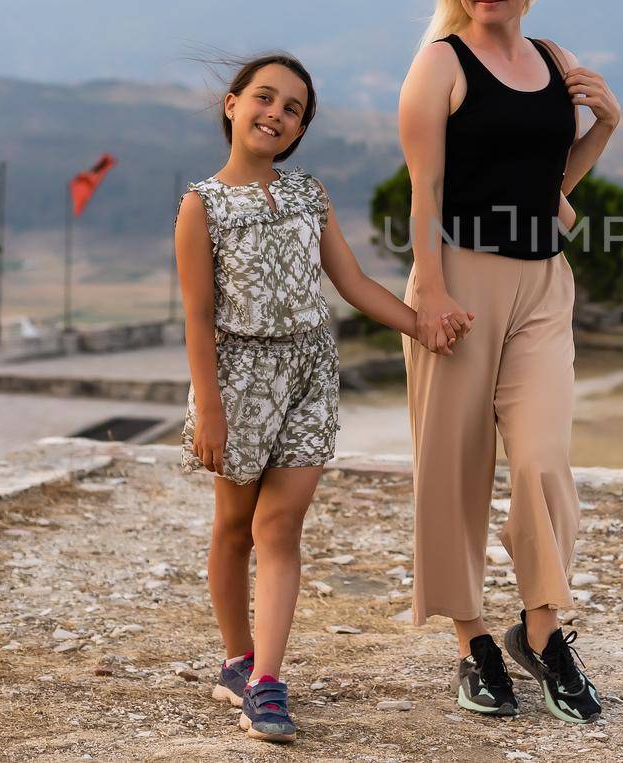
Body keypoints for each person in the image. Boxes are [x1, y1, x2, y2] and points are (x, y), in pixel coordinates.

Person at [174, 52, 467, 743]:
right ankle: (237, 659)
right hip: (238, 378)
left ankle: (268, 684)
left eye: (293, 108)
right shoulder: (201, 205)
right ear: (232, 104)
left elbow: (354, 281)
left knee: (280, 527)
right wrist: (209, 404)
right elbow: (195, 316)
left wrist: (420, 323)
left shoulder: (310, 193)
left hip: (310, 372)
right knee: (232, 526)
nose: (276, 113)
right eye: (265, 98)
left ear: (299, 128)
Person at [397, 0, 621, 723]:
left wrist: (606, 126)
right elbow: (423, 190)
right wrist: (430, 288)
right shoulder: (438, 64)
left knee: (542, 458)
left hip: (542, 283)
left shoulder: (554, 59)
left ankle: (543, 628)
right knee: (453, 470)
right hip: (457, 275)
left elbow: (550, 186)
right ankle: (472, 643)